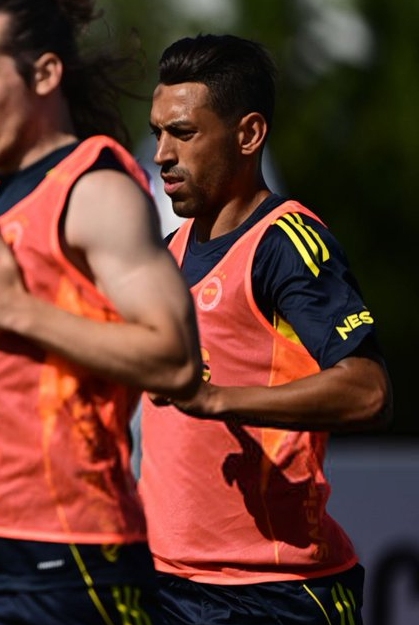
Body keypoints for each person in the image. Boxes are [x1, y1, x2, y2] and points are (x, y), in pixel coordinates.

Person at [0, 0, 203, 624]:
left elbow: (177, 359)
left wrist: (17, 311)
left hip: (61, 552)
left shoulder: (96, 190)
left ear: (44, 74)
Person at [140, 34, 391, 625]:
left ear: (249, 134)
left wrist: (216, 399)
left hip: (275, 592)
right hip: (165, 584)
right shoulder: (164, 254)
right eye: (157, 133)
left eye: (183, 132)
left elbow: (368, 390)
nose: (162, 154)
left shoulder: (285, 244)